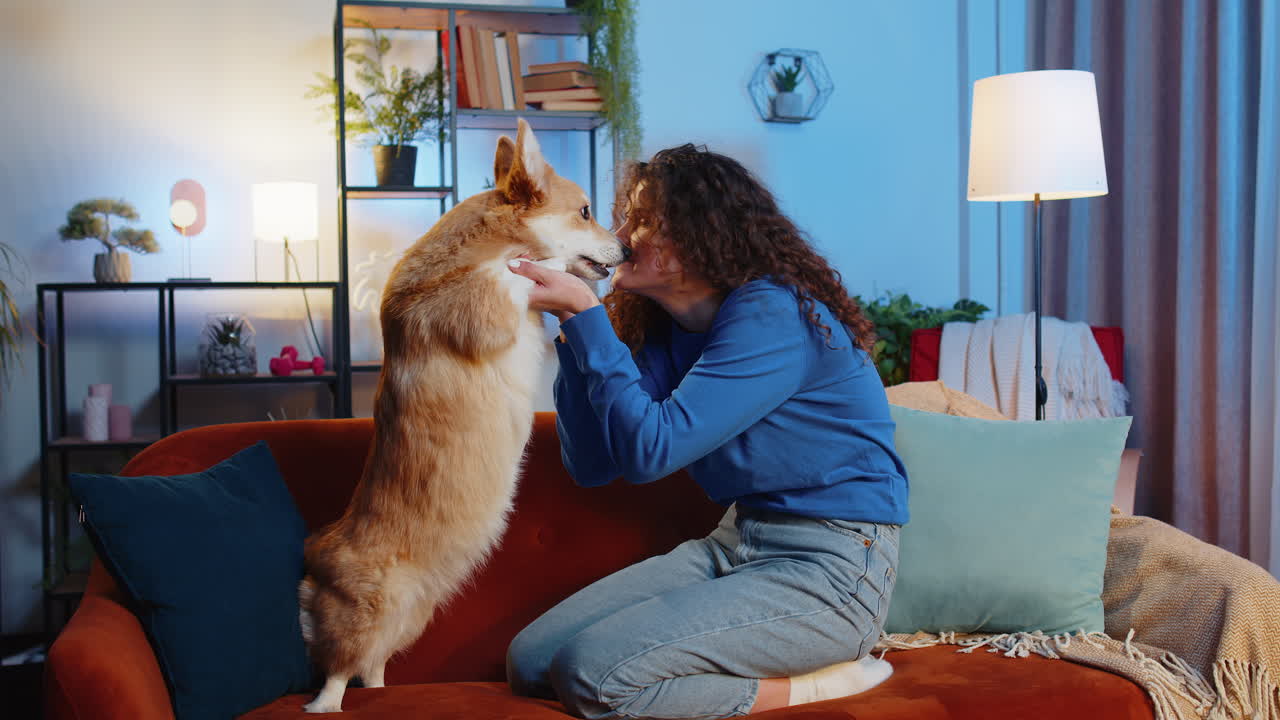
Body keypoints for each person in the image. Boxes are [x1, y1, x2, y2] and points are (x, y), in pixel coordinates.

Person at [504, 143, 908, 720]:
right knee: (533, 661)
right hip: (738, 542)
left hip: (834, 565)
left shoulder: (773, 313)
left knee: (592, 676)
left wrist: (588, 318)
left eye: (643, 221)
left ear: (699, 235)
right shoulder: (662, 330)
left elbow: (654, 451)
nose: (621, 234)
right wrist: (574, 331)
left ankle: (820, 685)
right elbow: (593, 466)